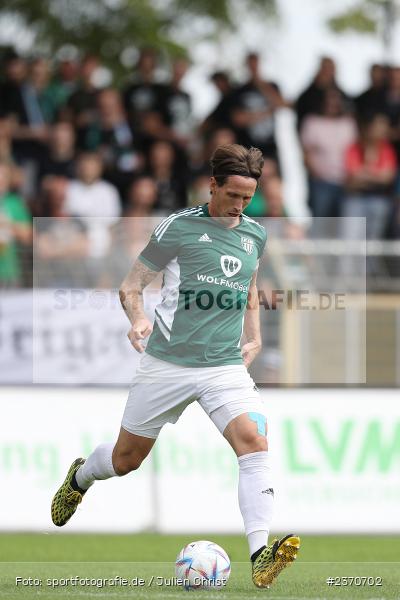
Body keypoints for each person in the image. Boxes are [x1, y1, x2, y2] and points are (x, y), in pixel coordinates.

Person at [51, 143, 300, 588]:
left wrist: (255, 336)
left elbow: (249, 289)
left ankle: (261, 554)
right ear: (213, 186)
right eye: (233, 196)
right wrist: (139, 317)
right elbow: (131, 286)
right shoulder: (178, 228)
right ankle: (82, 475)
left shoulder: (255, 235)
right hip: (167, 364)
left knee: (254, 441)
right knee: (126, 460)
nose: (240, 206)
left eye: (248, 198)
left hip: (223, 366)